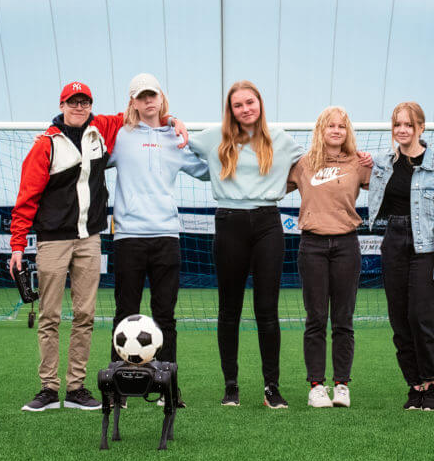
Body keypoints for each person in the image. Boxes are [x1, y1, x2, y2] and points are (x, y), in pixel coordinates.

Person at [9, 81, 187, 412]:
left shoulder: (103, 129)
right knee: (49, 315)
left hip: (90, 238)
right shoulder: (45, 145)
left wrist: (172, 118)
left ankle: (76, 388)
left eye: (84, 102)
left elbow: (141, 110)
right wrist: (17, 244)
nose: (79, 107)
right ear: (62, 105)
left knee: (85, 315)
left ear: (90, 105)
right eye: (72, 102)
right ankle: (49, 388)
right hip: (53, 239)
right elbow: (27, 196)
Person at [188, 80, 305, 409]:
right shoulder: (215, 137)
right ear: (231, 110)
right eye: (238, 105)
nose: (245, 109)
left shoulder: (280, 139)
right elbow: (177, 141)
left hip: (268, 224)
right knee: (229, 310)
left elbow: (310, 165)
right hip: (229, 224)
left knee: (267, 311)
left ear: (260, 104)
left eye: (250, 102)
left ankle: (272, 388)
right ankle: (231, 387)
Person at [108, 73, 209, 407]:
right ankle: (120, 389)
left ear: (161, 98)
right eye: (141, 96)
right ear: (133, 102)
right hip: (128, 238)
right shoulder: (120, 136)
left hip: (166, 236)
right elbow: (90, 154)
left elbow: (208, 170)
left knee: (165, 316)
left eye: (152, 95)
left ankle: (169, 389)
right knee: (125, 314)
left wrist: (186, 133)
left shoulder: (175, 138)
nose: (148, 101)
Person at [368, 102, 434, 412]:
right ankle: (414, 386)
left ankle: (432, 386)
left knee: (421, 318)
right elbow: (362, 174)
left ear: (421, 128)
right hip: (393, 242)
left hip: (426, 247)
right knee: (399, 321)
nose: (402, 130)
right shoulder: (383, 163)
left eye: (408, 124)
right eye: (397, 125)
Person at [286, 106, 370, 408]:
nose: (336, 131)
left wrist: (375, 163)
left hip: (347, 245)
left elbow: (388, 186)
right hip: (312, 246)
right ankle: (316, 386)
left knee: (343, 320)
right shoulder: (304, 164)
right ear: (320, 130)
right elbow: (271, 185)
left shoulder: (359, 163)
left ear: (348, 132)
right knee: (316, 318)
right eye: (330, 126)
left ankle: (342, 385)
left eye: (342, 127)